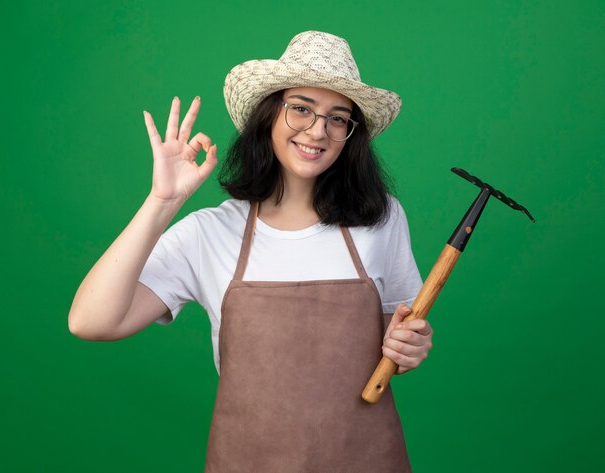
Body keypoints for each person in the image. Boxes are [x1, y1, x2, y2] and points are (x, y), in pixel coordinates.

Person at [69, 31, 433, 472]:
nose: (318, 130)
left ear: (350, 134)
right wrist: (161, 202)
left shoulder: (382, 219)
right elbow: (90, 322)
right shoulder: (210, 232)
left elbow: (399, 339)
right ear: (268, 115)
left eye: (338, 118)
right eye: (301, 108)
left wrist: (409, 349)